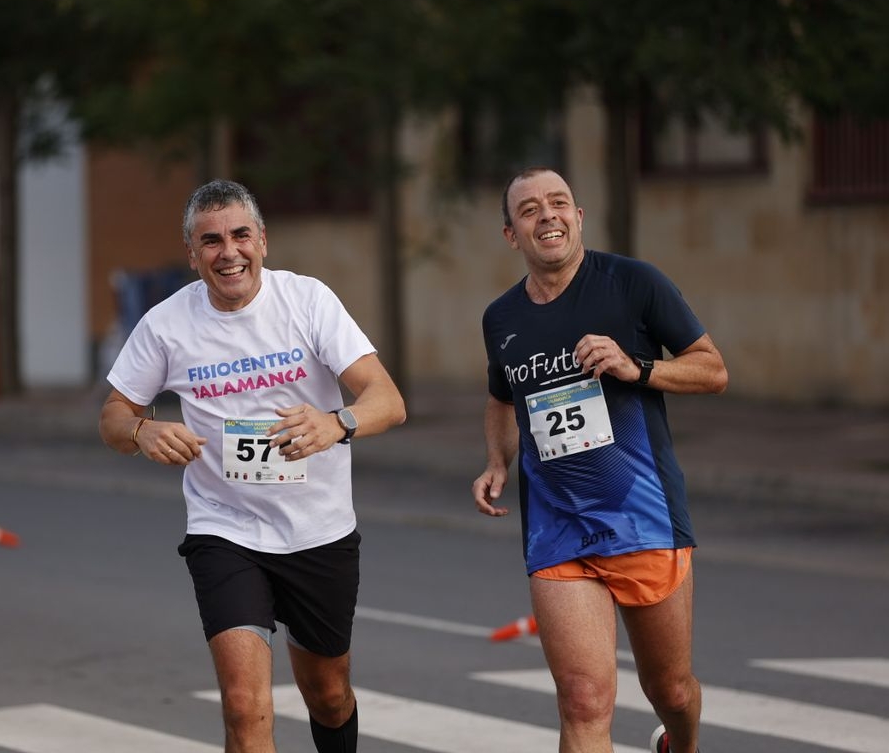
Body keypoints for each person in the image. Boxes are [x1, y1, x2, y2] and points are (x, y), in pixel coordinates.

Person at [100, 179, 406, 753]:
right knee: (245, 707)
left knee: (328, 691)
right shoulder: (166, 324)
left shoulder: (307, 301)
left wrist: (335, 423)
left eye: (241, 235)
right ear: (192, 256)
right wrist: (142, 430)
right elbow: (114, 416)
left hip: (319, 528)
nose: (228, 252)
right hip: (226, 529)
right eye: (210, 241)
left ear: (263, 241)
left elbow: (387, 400)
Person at [472, 167, 727, 753]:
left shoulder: (633, 284)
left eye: (559, 203)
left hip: (643, 516)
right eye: (530, 210)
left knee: (672, 690)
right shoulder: (502, 318)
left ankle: (681, 744)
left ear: (579, 216)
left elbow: (713, 369)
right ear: (512, 233)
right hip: (557, 526)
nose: (548, 216)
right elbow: (502, 397)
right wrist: (496, 461)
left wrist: (635, 367)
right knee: (584, 700)